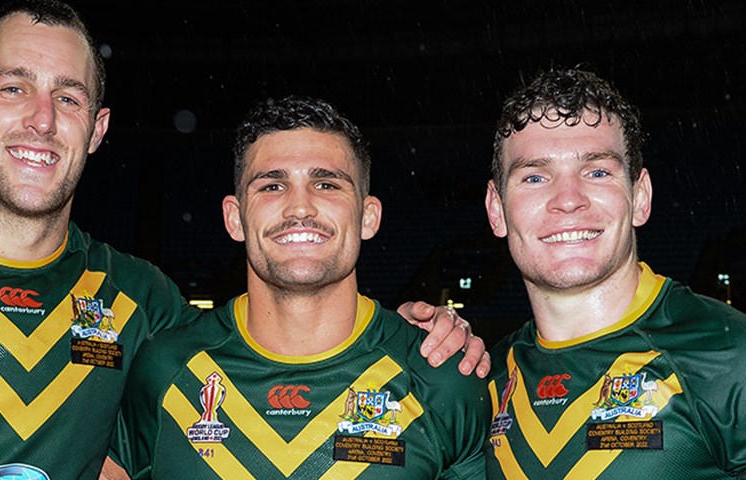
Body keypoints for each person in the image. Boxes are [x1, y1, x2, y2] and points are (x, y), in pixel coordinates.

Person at [0, 2, 485, 479]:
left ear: (96, 128)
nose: (40, 119)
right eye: (13, 87)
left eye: (68, 97)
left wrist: (412, 331)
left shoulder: (141, 303)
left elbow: (278, 336)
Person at [478, 69, 746, 479]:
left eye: (597, 172)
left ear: (640, 197)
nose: (568, 200)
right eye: (535, 177)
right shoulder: (481, 383)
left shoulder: (738, 362)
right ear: (496, 209)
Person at [113, 97, 490, 478]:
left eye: (325, 184)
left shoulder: (440, 380)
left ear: (368, 217)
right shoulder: (164, 370)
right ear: (234, 218)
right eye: (272, 185)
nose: (299, 207)